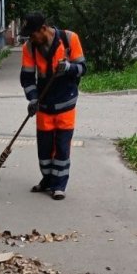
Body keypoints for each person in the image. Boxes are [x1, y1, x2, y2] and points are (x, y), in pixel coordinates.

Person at [19, 12, 86, 200]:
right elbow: (27, 77)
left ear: (43, 29)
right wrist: (32, 99)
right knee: (44, 150)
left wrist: (69, 68)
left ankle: (59, 185)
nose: (31, 39)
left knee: (62, 148)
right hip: (44, 105)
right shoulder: (29, 48)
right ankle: (47, 180)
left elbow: (83, 69)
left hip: (66, 104)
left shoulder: (70, 39)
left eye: (33, 34)